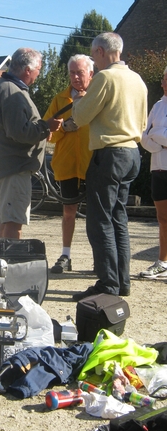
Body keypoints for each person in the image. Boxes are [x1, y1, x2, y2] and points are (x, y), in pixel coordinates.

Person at [71, 32, 147, 301]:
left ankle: (107, 283)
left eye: (93, 55)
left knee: (99, 221)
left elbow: (80, 116)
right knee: (119, 219)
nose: (93, 60)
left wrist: (77, 97)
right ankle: (121, 282)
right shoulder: (137, 79)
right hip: (132, 153)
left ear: (102, 51)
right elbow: (143, 123)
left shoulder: (104, 77)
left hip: (109, 153)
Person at [0, 47, 62, 239]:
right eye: (38, 70)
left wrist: (42, 129)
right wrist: (46, 128)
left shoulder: (5, 86)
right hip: (14, 168)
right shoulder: (12, 92)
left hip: (7, 166)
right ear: (28, 70)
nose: (39, 74)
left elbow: (16, 126)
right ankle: (9, 266)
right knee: (13, 223)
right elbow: (19, 132)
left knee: (5, 220)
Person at [43, 54, 94, 273]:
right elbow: (47, 133)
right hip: (67, 165)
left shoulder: (97, 96)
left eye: (79, 72)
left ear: (91, 73)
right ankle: (66, 255)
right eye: (71, 72)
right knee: (68, 212)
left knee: (96, 215)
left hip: (93, 164)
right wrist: (64, 128)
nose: (74, 77)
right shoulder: (60, 99)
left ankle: (99, 258)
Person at [140, 67, 167, 278]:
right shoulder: (157, 106)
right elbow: (144, 135)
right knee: (162, 218)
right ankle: (163, 262)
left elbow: (153, 133)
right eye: (166, 79)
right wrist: (159, 144)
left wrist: (156, 135)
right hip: (158, 165)